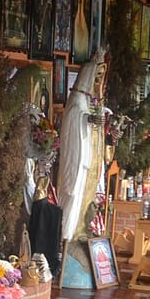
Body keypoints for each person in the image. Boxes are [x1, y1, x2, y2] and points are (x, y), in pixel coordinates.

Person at [58, 58, 106, 242]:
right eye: (96, 77)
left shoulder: (86, 100)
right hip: (75, 158)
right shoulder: (76, 99)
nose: (98, 82)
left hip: (84, 158)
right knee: (72, 195)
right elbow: (74, 117)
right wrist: (88, 119)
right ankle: (66, 234)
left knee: (81, 198)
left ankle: (76, 231)